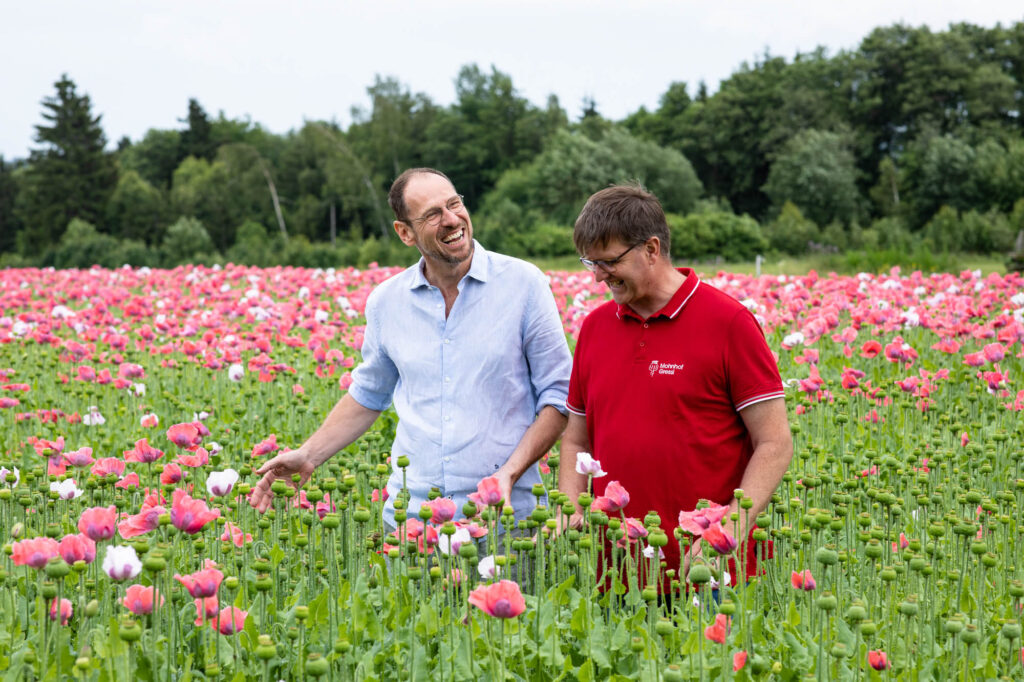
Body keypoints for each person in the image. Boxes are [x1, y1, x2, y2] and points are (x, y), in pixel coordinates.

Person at [251, 168, 572, 535]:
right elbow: (370, 393)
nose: (452, 220)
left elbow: (559, 395)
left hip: (506, 517)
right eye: (433, 214)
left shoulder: (524, 285)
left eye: (454, 204)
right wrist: (309, 454)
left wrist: (508, 474)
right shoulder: (387, 302)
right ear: (405, 233)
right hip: (411, 520)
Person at [558, 184, 792, 584]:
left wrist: (731, 528)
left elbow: (774, 442)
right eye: (589, 263)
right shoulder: (595, 328)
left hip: (707, 567)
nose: (597, 277)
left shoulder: (728, 323)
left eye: (608, 261)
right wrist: (569, 509)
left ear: (651, 249)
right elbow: (577, 440)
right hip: (617, 571)